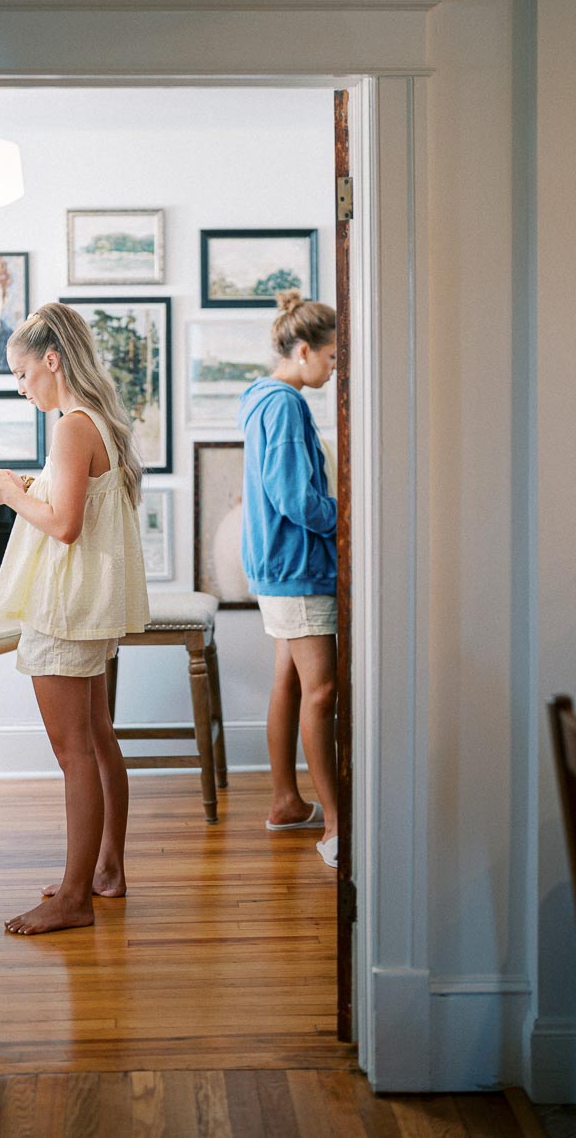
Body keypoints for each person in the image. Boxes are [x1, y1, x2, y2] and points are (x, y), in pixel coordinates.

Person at [0, 302, 150, 933]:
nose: (22, 390)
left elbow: (66, 527)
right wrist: (32, 485)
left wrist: (9, 494)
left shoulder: (72, 426)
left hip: (64, 606)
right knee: (98, 739)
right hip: (85, 607)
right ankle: (105, 872)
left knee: (73, 750)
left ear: (52, 360)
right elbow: (81, 507)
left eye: (22, 375)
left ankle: (74, 898)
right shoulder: (94, 420)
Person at [236, 292, 340, 869]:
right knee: (321, 691)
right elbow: (297, 499)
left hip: (280, 567)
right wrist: (348, 520)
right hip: (297, 567)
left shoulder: (265, 400)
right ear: (302, 351)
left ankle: (285, 802)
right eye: (330, 358)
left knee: (292, 683)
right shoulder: (285, 405)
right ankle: (335, 826)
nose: (334, 369)